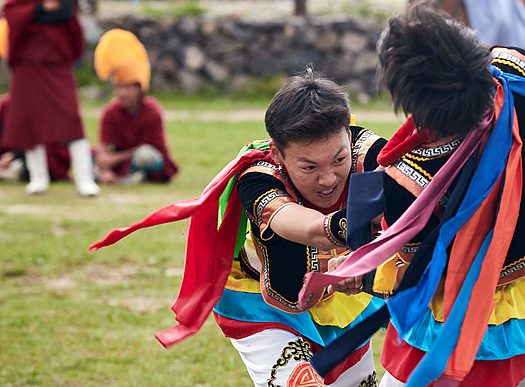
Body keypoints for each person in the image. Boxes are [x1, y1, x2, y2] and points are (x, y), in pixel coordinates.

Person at [301, 3, 525, 386]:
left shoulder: (407, 180)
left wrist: (356, 273)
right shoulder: (519, 74)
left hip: (473, 324)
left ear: (409, 101)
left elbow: (417, 275)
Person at [90, 69, 387, 387]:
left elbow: (412, 193)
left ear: (348, 133)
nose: (328, 178)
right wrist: (355, 234)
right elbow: (298, 224)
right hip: (263, 301)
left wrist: (369, 253)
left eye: (338, 159)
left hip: (338, 298)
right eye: (309, 167)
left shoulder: (366, 151)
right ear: (278, 154)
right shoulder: (258, 177)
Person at [1, 0, 99, 196]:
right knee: (30, 123)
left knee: (69, 118)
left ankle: (85, 178)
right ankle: (38, 177)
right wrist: (42, 8)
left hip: (55, 58)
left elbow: (65, 13)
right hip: (28, 61)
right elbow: (12, 12)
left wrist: (36, 17)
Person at [93, 29, 179, 185]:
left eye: (127, 88)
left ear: (139, 89)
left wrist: (113, 159)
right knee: (87, 156)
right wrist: (105, 170)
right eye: (119, 87)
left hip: (141, 159)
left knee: (145, 156)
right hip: (118, 163)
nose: (122, 93)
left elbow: (150, 147)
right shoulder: (110, 112)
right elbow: (103, 149)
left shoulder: (151, 111)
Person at [0, 93, 72, 183]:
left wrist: (14, 155)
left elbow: (47, 143)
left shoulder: (44, 104)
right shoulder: (6, 104)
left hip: (34, 159)